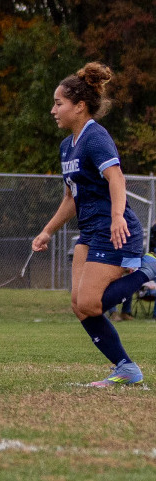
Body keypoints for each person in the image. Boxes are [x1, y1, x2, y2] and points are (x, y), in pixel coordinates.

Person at [32, 62, 156, 387]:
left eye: (59, 103)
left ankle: (148, 269)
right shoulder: (66, 147)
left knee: (91, 302)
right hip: (90, 232)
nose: (53, 110)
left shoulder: (95, 137)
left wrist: (117, 216)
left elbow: (115, 177)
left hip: (115, 231)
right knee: (79, 305)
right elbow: (71, 199)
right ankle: (126, 368)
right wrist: (47, 231)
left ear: (80, 106)